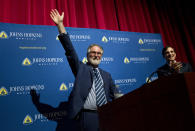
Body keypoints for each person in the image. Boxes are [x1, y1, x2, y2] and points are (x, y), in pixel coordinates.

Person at [50, 9, 119, 131]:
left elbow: (116, 95)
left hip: (107, 114)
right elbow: (70, 50)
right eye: (93, 52)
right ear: (88, 55)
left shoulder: (107, 75)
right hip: (88, 116)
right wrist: (60, 25)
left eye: (99, 53)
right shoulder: (80, 68)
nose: (96, 55)